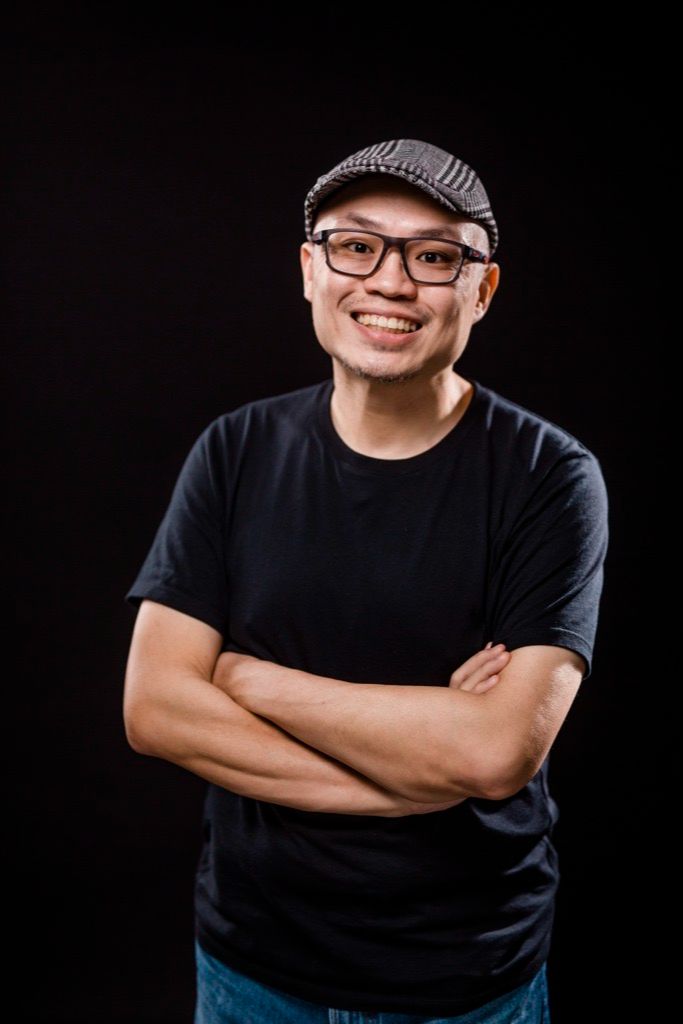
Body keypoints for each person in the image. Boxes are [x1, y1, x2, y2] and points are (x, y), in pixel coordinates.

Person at [122, 138, 609, 1024]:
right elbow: (154, 710)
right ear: (311, 269)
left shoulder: (551, 476)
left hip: (463, 976)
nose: (389, 282)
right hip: (251, 966)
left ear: (481, 290)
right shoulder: (234, 451)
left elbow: (494, 753)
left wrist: (245, 678)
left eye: (434, 257)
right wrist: (415, 777)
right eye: (355, 246)